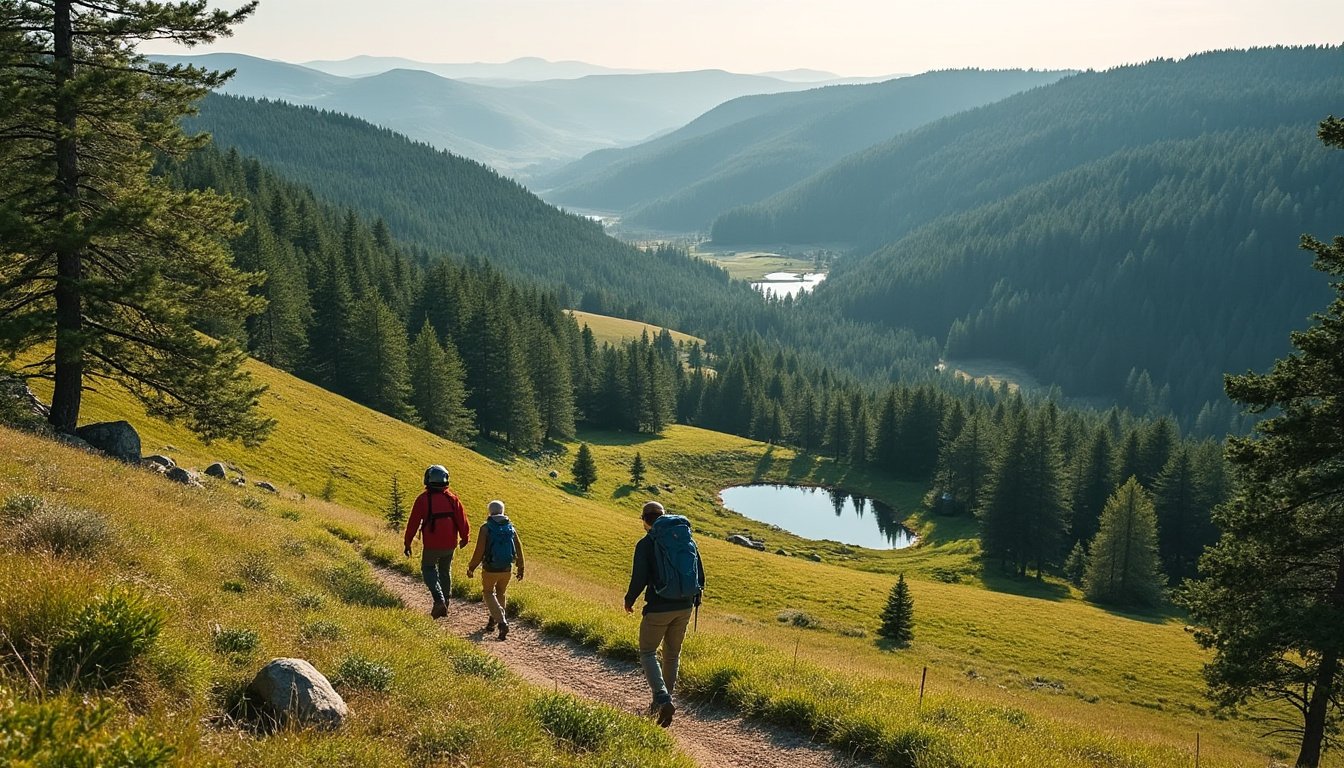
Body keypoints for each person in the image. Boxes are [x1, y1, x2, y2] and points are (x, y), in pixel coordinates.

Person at [624, 501, 705, 728]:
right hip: (685, 606)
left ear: (645, 520)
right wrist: (693, 600)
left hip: (659, 607)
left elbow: (639, 577)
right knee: (672, 655)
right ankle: (661, 703)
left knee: (648, 652)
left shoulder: (646, 543)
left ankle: (661, 698)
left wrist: (629, 599)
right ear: (662, 516)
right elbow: (700, 573)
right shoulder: (686, 539)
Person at [403, 464, 469, 618]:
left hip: (432, 544)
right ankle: (445, 602)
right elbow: (462, 521)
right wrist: (465, 538)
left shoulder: (423, 499)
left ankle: (438, 600)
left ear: (427, 480)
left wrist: (407, 542)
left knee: (428, 569)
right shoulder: (452, 499)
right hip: (450, 543)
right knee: (445, 571)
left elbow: (413, 523)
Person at [466, 499, 526, 640]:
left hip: (490, 568)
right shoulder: (510, 527)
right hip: (506, 568)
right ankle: (493, 621)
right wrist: (521, 567)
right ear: (503, 511)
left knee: (488, 593)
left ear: (490, 512)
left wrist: (471, 567)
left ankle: (502, 622)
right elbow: (518, 547)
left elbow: (479, 551)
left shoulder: (486, 528)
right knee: (501, 593)